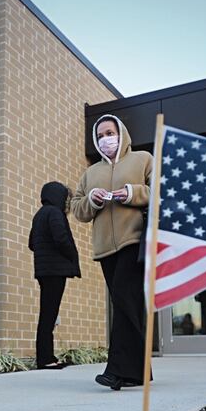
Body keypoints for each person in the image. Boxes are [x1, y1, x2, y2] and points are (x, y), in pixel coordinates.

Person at [71, 114, 152, 390]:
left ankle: (115, 371)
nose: (106, 139)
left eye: (110, 132)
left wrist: (130, 193)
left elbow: (160, 191)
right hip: (105, 248)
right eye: (101, 135)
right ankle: (140, 371)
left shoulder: (142, 159)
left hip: (135, 241)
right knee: (126, 304)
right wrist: (92, 201)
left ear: (122, 133)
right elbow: (77, 209)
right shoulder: (90, 173)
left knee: (123, 300)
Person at [28, 182, 81, 369]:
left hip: (43, 270)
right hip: (55, 271)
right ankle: (46, 360)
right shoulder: (55, 213)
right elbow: (61, 238)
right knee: (49, 315)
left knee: (47, 314)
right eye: (65, 197)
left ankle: (47, 357)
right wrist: (71, 255)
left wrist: (45, 251)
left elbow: (31, 243)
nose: (66, 202)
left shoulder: (39, 214)